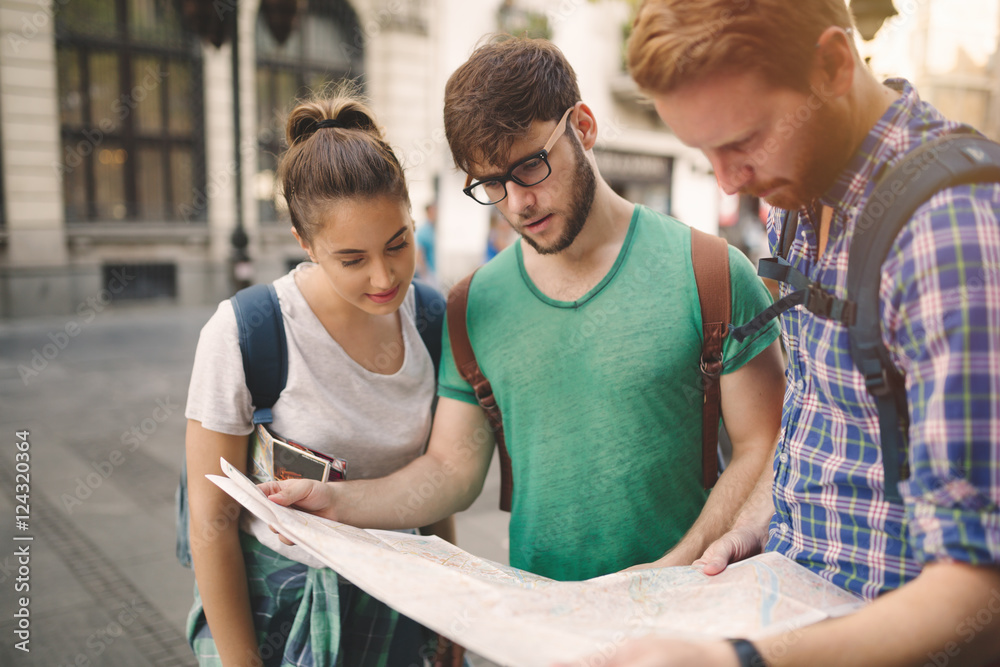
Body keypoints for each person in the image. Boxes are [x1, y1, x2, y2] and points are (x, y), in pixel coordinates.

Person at [261, 36, 786, 583]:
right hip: (544, 627)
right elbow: (451, 471)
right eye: (490, 183)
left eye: (530, 167)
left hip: (692, 616)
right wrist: (333, 501)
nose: (517, 203)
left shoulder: (713, 273)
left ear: (582, 126)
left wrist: (673, 572)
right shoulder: (472, 304)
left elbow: (764, 445)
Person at [575, 1, 1000, 665]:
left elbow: (979, 583)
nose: (727, 180)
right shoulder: (795, 196)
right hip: (788, 599)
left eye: (741, 141)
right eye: (705, 152)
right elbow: (825, 410)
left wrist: (739, 659)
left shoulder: (950, 233)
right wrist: (765, 516)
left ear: (832, 65)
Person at [184, 92, 461, 667]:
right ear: (305, 245)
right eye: (352, 259)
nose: (385, 277)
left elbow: (435, 490)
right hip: (280, 606)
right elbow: (212, 518)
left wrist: (448, 617)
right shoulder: (245, 333)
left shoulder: (432, 321)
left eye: (398, 244)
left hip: (402, 600)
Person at [416, 202, 437, 283]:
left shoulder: (431, 228)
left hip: (432, 271)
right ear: (428, 212)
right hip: (427, 273)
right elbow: (419, 253)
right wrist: (424, 274)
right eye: (433, 211)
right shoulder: (424, 230)